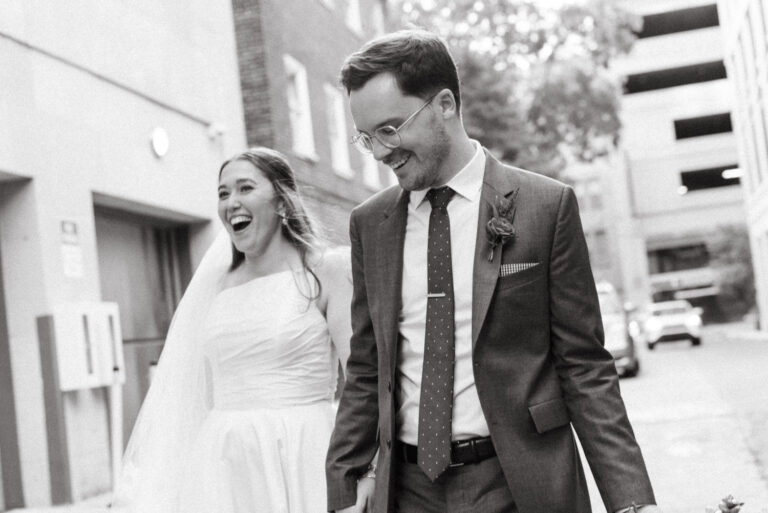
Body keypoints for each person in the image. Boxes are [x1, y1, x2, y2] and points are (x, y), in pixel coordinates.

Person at [326, 29, 660, 513]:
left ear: (444, 104)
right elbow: (365, 365)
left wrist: (631, 502)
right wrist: (346, 480)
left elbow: (584, 367)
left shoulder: (545, 207)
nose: (379, 153)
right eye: (366, 137)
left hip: (520, 482)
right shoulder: (369, 225)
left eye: (390, 129)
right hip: (408, 491)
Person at [112, 147, 360, 513]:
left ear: (281, 201)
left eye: (245, 188)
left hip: (303, 450)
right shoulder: (214, 285)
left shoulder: (327, 270)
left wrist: (363, 467)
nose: (232, 202)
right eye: (223, 193)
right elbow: (192, 388)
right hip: (223, 462)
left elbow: (361, 379)